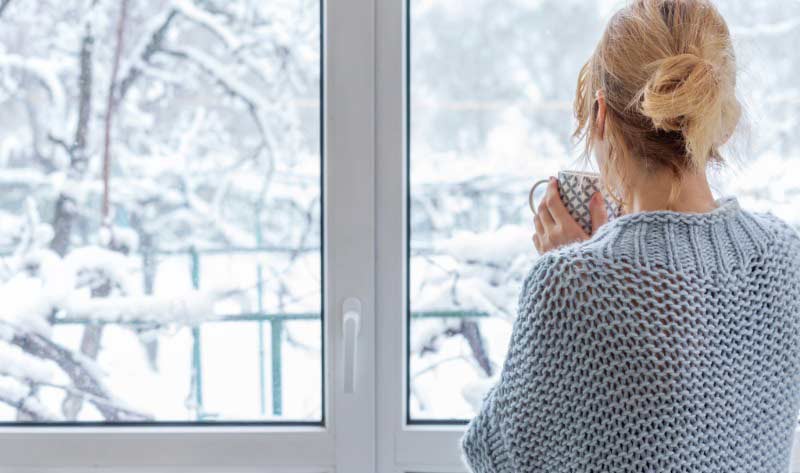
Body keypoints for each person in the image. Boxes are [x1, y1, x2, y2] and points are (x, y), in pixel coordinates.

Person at [460, 0, 800, 471]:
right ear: (718, 116)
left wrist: (579, 266)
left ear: (601, 115)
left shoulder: (569, 283)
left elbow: (496, 458)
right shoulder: (787, 257)